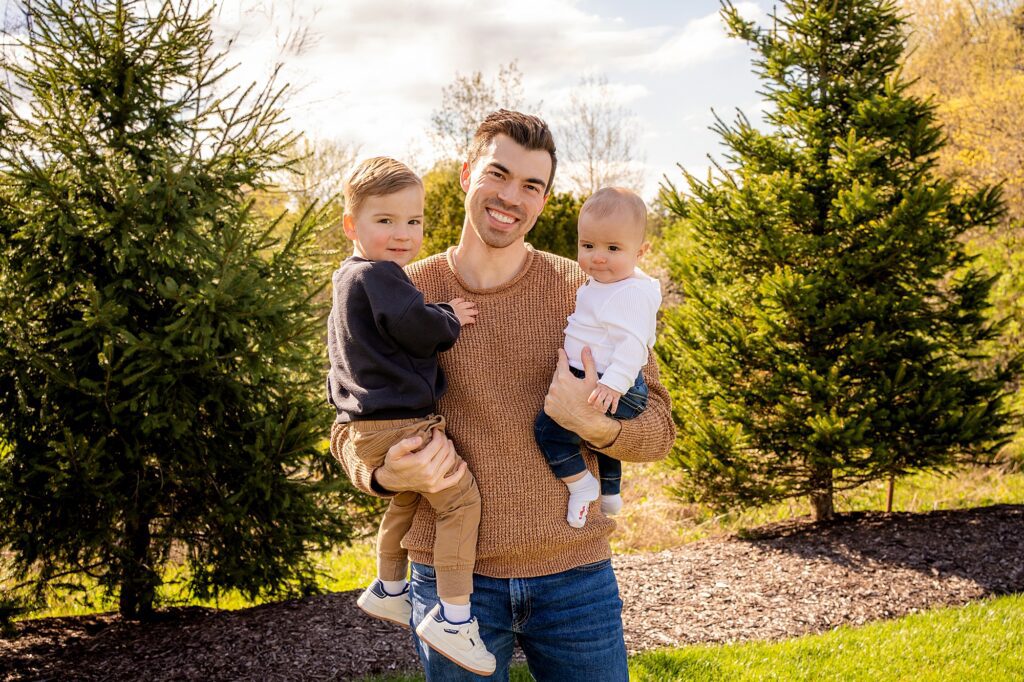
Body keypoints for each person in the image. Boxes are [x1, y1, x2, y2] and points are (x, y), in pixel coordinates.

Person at [332, 111, 676, 681]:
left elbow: (660, 427)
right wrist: (385, 473)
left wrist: (598, 428)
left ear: (543, 201)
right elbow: (348, 423)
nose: (511, 196)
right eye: (499, 174)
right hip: (449, 585)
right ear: (467, 173)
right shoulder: (397, 289)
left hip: (575, 578)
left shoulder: (590, 290)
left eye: (532, 185)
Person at [325, 157, 496, 675]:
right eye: (386, 221)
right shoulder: (381, 275)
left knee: (405, 499)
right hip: (401, 421)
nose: (403, 234)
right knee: (459, 505)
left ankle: (390, 586)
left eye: (414, 222)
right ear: (352, 226)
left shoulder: (347, 278)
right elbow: (415, 325)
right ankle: (454, 618)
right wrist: (449, 315)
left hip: (369, 423)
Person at [533, 187, 662, 528]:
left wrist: (612, 386)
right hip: (603, 379)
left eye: (613, 248)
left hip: (616, 384)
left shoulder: (630, 293)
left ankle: (581, 486)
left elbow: (635, 347)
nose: (598, 257)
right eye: (588, 246)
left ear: (641, 251)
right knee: (600, 443)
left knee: (550, 431)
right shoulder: (601, 283)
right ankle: (611, 492)